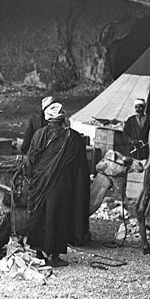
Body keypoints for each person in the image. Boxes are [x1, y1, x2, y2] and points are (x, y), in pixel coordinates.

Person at [26, 102, 90, 267]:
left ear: (48, 120)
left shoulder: (38, 134)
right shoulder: (73, 138)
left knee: (39, 215)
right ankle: (53, 256)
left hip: (39, 183)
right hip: (60, 185)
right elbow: (80, 168)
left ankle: (39, 253)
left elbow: (31, 159)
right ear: (63, 119)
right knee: (57, 217)